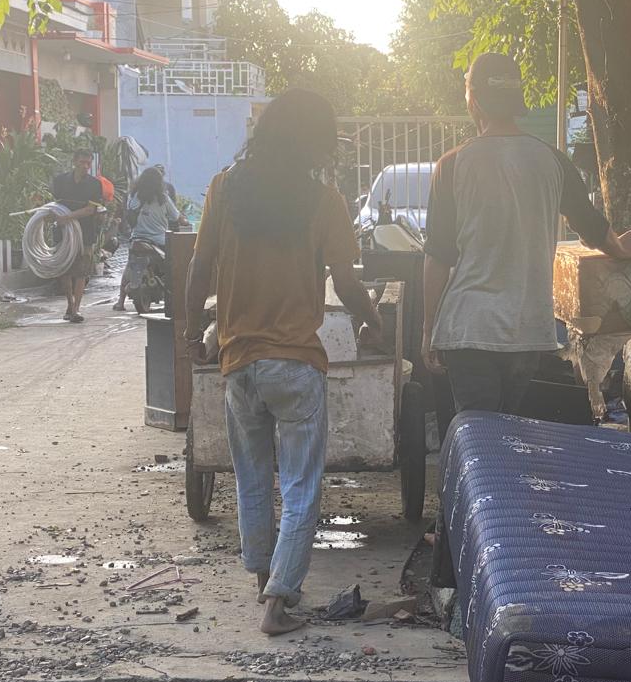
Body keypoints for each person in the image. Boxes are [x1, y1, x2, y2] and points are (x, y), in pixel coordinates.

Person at [184, 89, 384, 636]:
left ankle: (262, 580)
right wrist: (374, 318)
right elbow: (346, 281)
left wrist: (189, 330)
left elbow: (198, 267)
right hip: (295, 363)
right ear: (316, 141)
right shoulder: (325, 202)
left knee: (251, 478)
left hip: (238, 363)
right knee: (300, 485)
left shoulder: (224, 190)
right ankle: (279, 600)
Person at [422, 52, 631, 415]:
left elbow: (437, 257)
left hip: (468, 327)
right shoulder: (551, 160)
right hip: (526, 330)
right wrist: (621, 247)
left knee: (478, 438)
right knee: (509, 435)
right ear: (518, 100)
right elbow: (592, 227)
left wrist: (429, 328)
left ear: (473, 98)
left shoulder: (453, 165)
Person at [115, 166, 186, 312]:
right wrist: (184, 221)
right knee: (174, 267)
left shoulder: (134, 196)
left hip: (137, 239)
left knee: (129, 267)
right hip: (160, 241)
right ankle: (175, 297)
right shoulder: (163, 199)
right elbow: (176, 217)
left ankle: (120, 301)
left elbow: (128, 214)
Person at [50, 147, 104, 322]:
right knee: (65, 270)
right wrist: (58, 218)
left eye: (88, 163)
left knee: (81, 271)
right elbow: (52, 204)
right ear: (74, 162)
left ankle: (76, 308)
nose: (85, 166)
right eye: (82, 162)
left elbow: (90, 209)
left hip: (85, 233)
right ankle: (70, 304)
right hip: (63, 233)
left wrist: (69, 217)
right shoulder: (60, 181)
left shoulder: (95, 184)